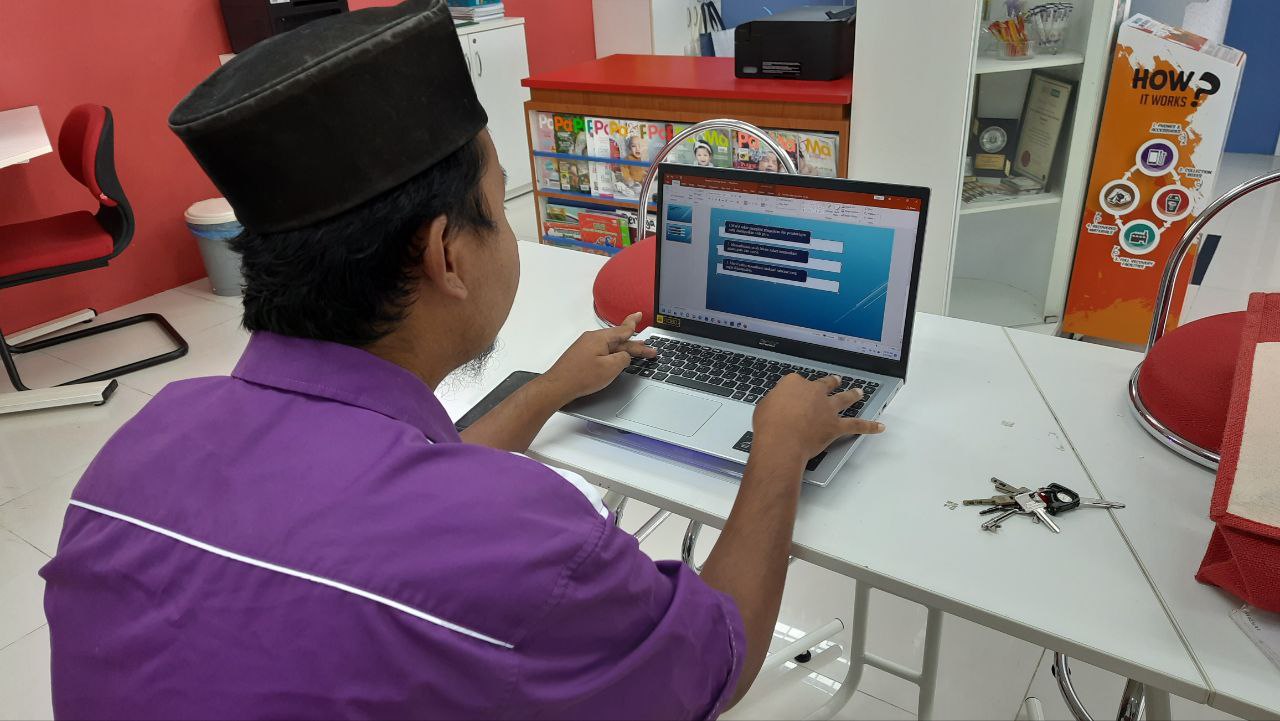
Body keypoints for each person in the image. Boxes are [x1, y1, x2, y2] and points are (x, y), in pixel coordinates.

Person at [39, 1, 884, 718]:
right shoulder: (527, 544)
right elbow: (716, 655)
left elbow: (365, 508)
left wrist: (548, 389)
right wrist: (778, 444)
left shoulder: (134, 452)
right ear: (446, 254)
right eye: (500, 205)